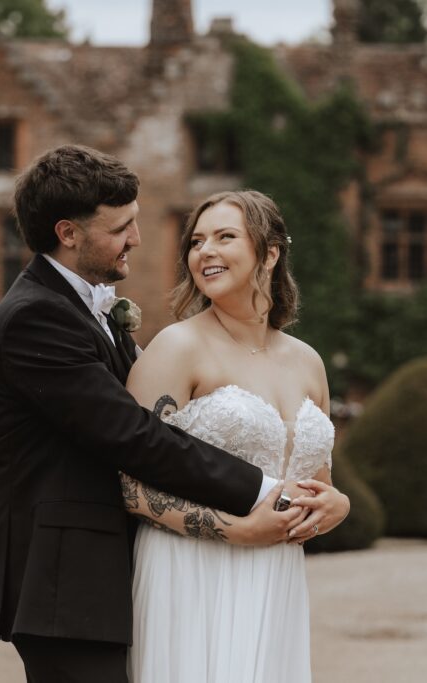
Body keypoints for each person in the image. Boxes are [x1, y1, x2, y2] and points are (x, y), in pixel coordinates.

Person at [0, 146, 334, 683]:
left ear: (272, 253)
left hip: (129, 571)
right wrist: (264, 495)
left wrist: (335, 501)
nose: (138, 240)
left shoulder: (93, 311)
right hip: (63, 577)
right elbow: (135, 438)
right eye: (121, 227)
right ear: (69, 233)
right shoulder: (36, 317)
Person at [121, 190, 348, 683]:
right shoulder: (177, 347)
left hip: (276, 575)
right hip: (191, 569)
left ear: (270, 253)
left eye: (225, 237)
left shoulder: (307, 360)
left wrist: (338, 506)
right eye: (197, 241)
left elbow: (317, 482)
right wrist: (235, 530)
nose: (205, 252)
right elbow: (127, 484)